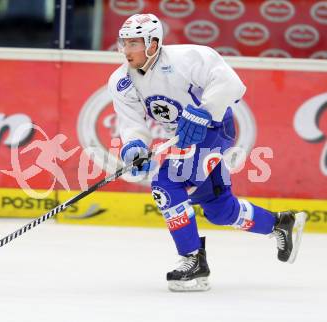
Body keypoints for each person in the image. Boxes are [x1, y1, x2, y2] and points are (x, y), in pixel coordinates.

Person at [108, 13, 307, 292]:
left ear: (153, 43)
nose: (127, 51)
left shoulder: (188, 58)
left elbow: (232, 85)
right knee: (219, 209)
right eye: (124, 43)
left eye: (134, 44)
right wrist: (135, 147)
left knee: (166, 185)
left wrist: (203, 111)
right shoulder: (121, 81)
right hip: (183, 139)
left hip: (214, 129)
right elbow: (131, 123)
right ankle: (280, 224)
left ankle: (193, 261)